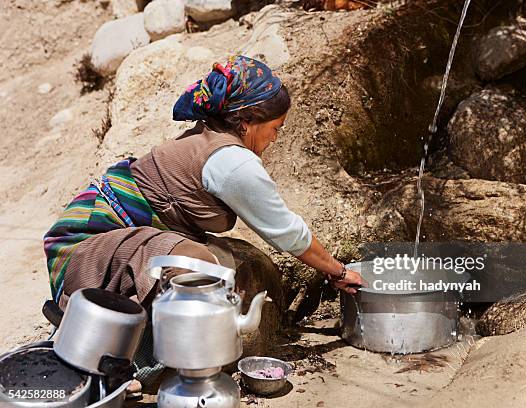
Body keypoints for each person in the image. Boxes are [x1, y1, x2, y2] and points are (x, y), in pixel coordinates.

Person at [43, 54, 363, 316]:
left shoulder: (210, 134)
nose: (277, 137)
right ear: (248, 121)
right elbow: (287, 232)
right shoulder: (233, 163)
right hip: (82, 253)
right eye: (275, 127)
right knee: (200, 268)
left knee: (228, 266)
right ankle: (116, 350)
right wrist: (337, 271)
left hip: (109, 243)